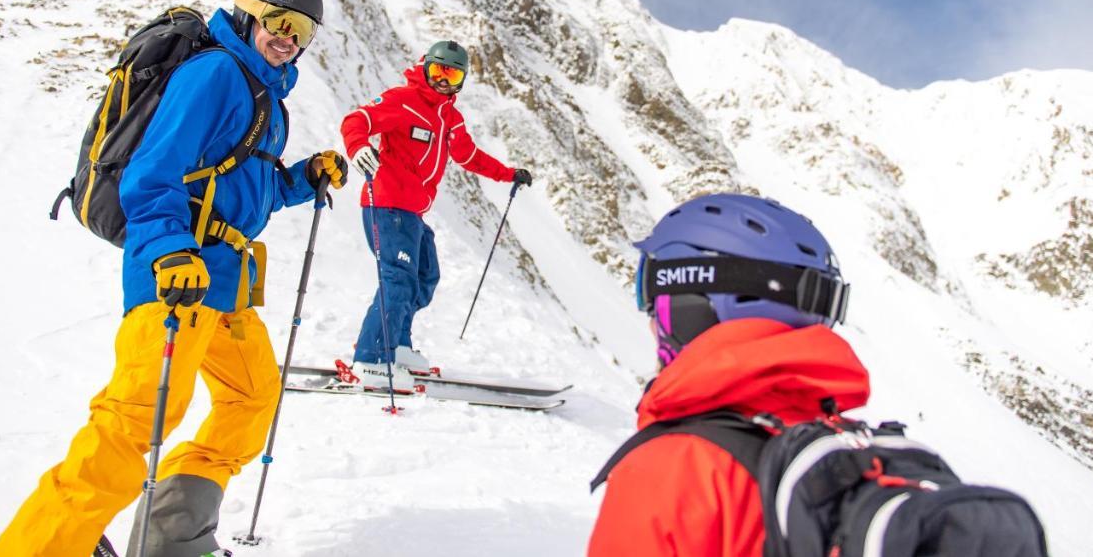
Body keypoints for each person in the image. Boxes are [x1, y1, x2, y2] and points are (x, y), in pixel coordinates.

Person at [0, 0, 347, 557]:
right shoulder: (214, 74)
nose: (288, 37)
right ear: (246, 15)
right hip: (177, 278)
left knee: (253, 398)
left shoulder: (265, 94)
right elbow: (151, 173)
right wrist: (168, 251)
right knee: (133, 422)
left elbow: (244, 190)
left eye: (302, 29)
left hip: (226, 285)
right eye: (278, 21)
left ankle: (172, 537)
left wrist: (301, 179)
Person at [587, 193, 868, 556]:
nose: (650, 322)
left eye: (650, 298)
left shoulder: (675, 471)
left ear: (692, 309)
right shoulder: (848, 451)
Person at [340, 39, 532, 390]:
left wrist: (508, 174)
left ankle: (396, 345)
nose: (444, 80)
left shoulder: (449, 118)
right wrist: (358, 147)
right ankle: (370, 358)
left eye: (453, 73)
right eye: (439, 70)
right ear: (425, 67)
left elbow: (468, 156)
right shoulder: (403, 100)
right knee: (397, 279)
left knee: (424, 278)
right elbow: (358, 120)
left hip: (413, 212)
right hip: (386, 204)